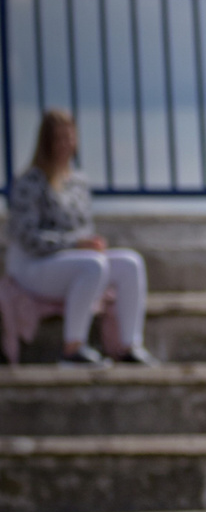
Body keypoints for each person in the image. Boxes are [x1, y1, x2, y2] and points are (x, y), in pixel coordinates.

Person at [4, 108, 154, 366]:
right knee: (93, 265)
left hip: (73, 262)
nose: (65, 144)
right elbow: (29, 238)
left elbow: (84, 229)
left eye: (70, 137)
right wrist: (75, 244)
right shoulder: (28, 182)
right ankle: (72, 349)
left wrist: (90, 243)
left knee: (131, 263)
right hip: (33, 266)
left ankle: (129, 347)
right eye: (59, 138)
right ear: (46, 143)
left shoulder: (79, 183)